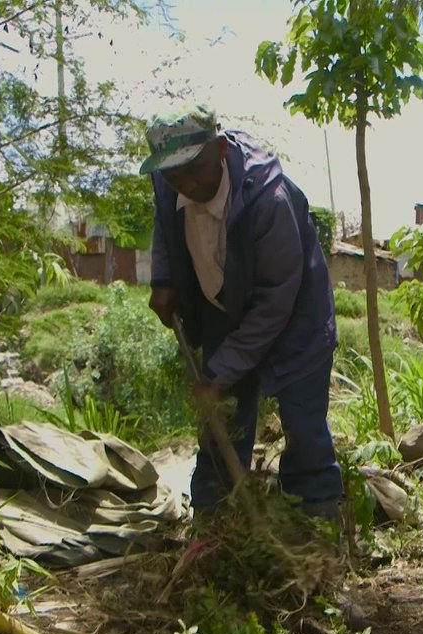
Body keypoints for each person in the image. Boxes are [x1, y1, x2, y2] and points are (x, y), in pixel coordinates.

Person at [139, 103, 342, 521]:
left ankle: (316, 534)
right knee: (223, 427)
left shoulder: (270, 199)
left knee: (304, 427)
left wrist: (219, 372)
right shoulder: (168, 180)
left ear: (219, 147)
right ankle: (215, 528)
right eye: (175, 174)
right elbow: (165, 220)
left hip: (295, 318)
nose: (188, 183)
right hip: (221, 307)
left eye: (196, 167)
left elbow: (274, 303)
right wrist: (163, 280)